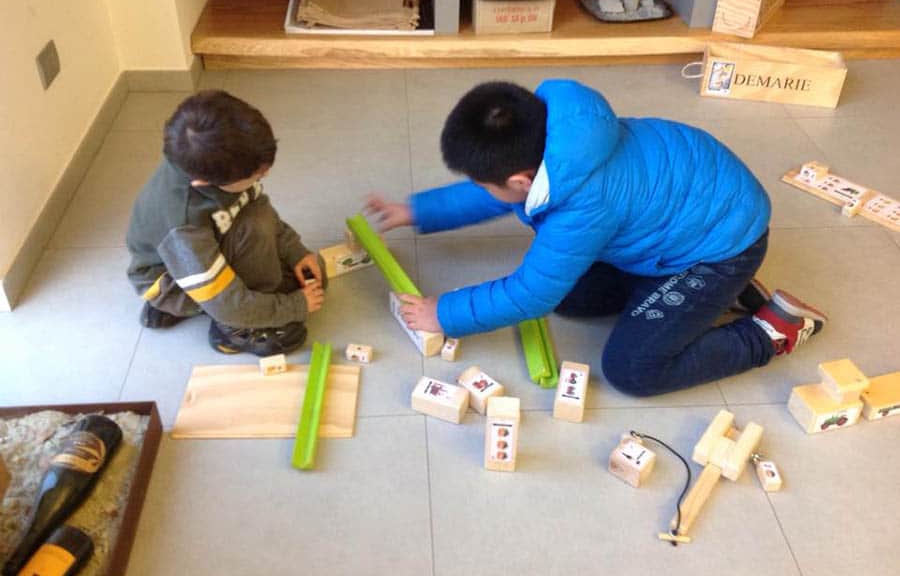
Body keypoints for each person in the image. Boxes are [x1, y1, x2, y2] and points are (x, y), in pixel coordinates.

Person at [367, 79, 826, 396]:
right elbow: (496, 195)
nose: (485, 190)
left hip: (720, 249)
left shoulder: (583, 203)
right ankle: (704, 296)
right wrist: (417, 210)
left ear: (523, 180)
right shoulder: (559, 135)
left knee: (633, 371)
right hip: (685, 217)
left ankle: (770, 332)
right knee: (574, 298)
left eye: (486, 182)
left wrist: (443, 314)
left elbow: (530, 296)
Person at [126, 90, 325, 356]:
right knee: (260, 241)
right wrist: (293, 306)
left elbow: (255, 204)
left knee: (261, 225)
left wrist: (295, 251)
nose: (264, 174)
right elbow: (227, 303)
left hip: (203, 251)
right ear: (204, 182)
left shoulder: (206, 162)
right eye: (256, 174)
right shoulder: (181, 228)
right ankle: (235, 331)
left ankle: (240, 302)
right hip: (174, 283)